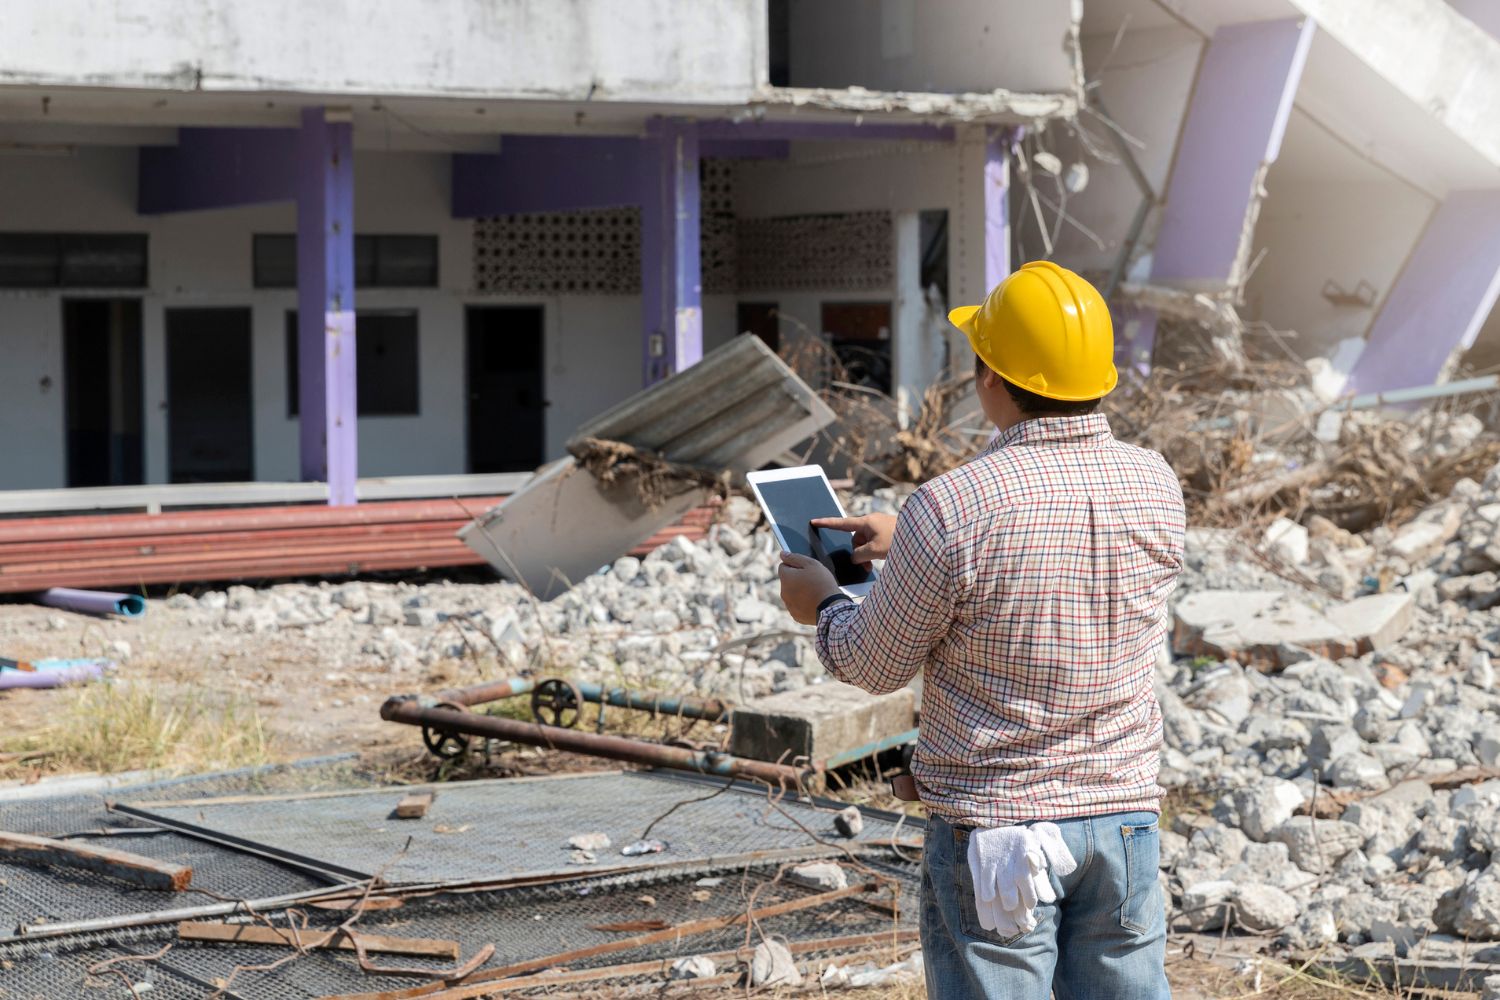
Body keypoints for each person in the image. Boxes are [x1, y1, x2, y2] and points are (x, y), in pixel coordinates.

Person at [777, 261, 1185, 999]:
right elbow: (1060, 557)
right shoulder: (1155, 481)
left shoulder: (954, 507)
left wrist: (824, 605)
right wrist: (913, 542)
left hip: (997, 835)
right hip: (1122, 822)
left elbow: (872, 663)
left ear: (988, 376)